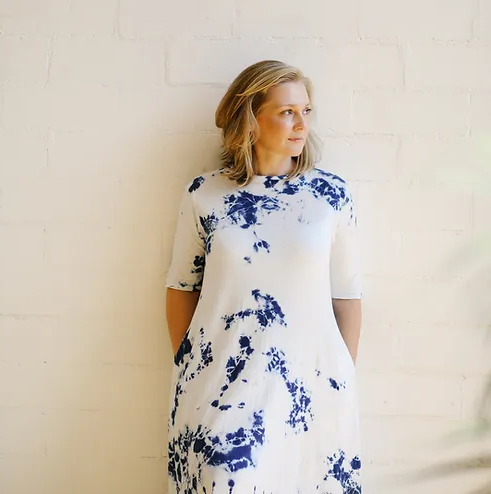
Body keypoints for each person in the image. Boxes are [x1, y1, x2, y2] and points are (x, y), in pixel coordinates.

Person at [165, 59, 363, 494]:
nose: (301, 124)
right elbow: (181, 287)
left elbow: (346, 296)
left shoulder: (330, 195)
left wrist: (340, 376)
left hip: (310, 389)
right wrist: (191, 366)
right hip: (220, 386)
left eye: (305, 111)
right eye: (287, 112)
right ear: (250, 119)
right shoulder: (205, 194)